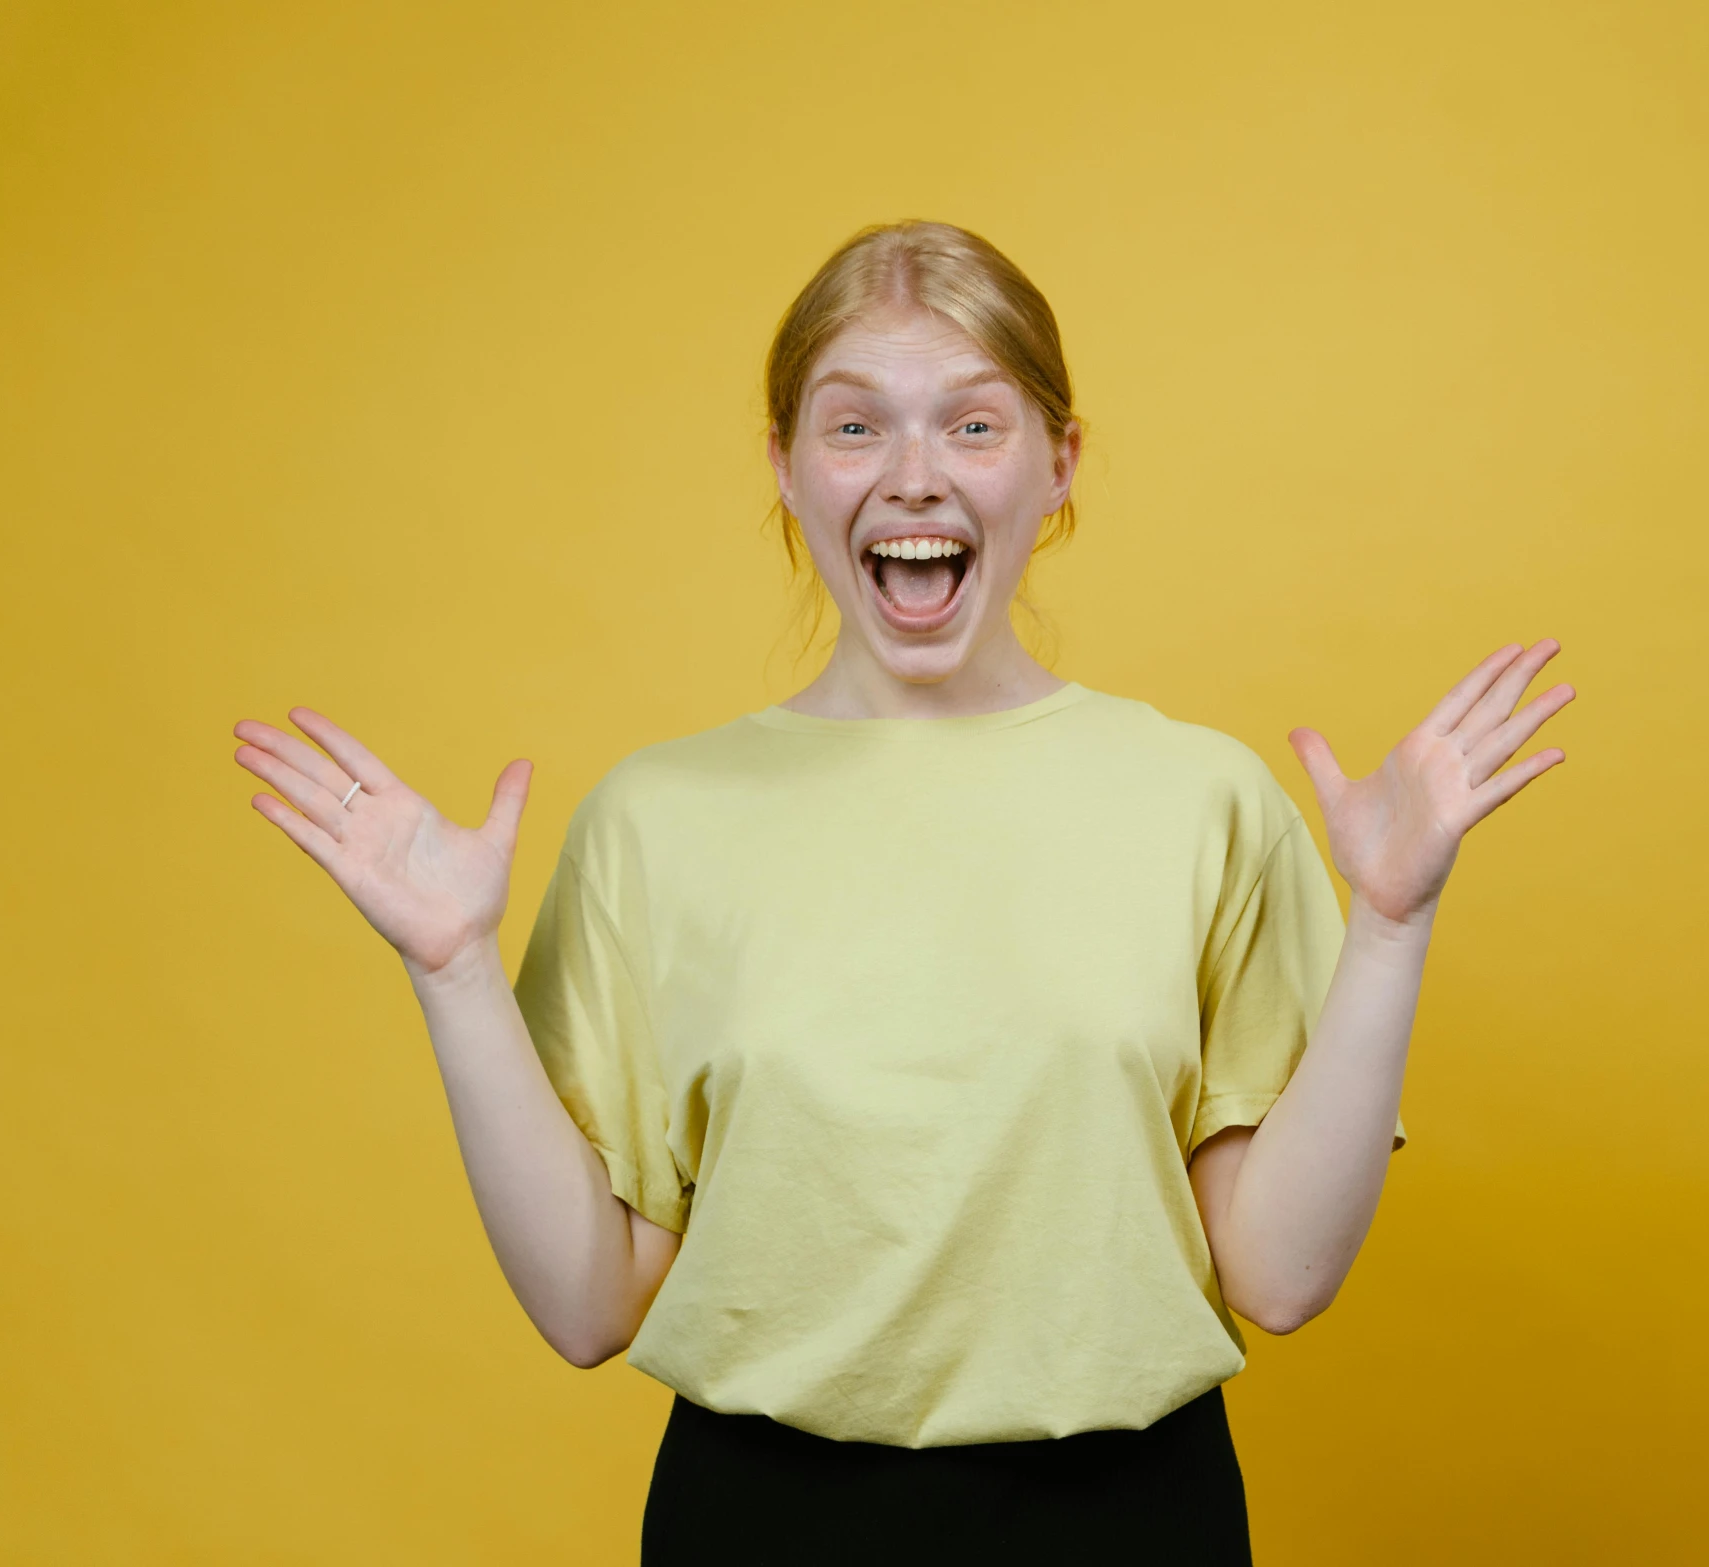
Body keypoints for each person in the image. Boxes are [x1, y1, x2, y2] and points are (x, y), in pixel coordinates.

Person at [231, 220, 1574, 1564]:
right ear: (786, 466)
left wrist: (1389, 926)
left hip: (1122, 1525)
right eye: (856, 426)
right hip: (758, 1524)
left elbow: (1277, 1275)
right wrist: (455, 970)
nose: (915, 477)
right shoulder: (656, 820)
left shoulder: (1202, 801)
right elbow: (591, 1305)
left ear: (1058, 465)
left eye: (973, 426)